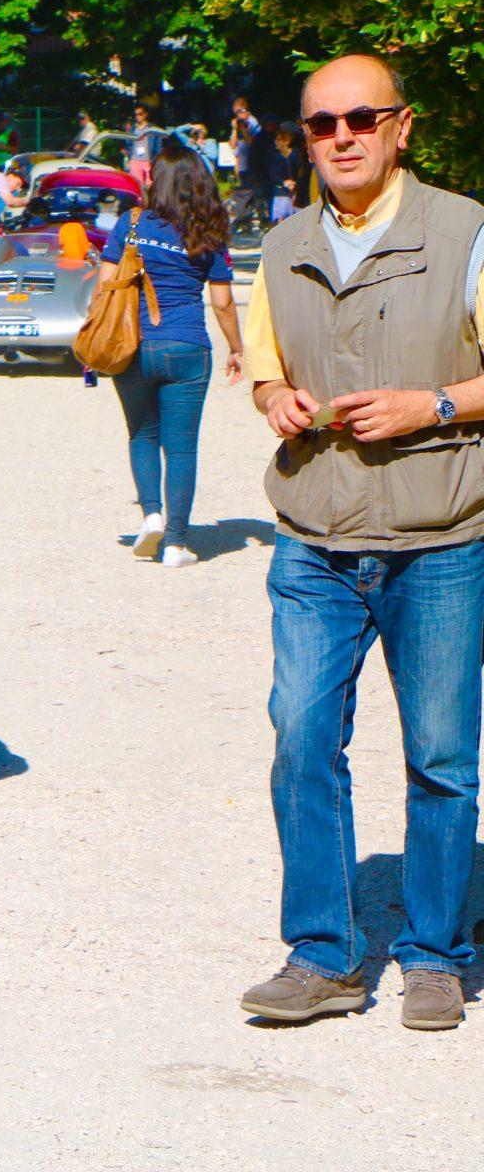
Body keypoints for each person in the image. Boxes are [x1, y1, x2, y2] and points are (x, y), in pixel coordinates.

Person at [238, 52, 484, 1032]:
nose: (340, 136)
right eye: (320, 124)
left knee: (440, 753)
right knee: (302, 736)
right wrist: (275, 399)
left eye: (360, 119)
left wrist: (430, 405)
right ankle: (325, 953)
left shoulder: (464, 231)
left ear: (401, 127)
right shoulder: (284, 242)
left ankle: (434, 952)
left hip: (438, 538)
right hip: (313, 538)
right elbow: (261, 368)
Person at [100, 139, 244, 567]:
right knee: (182, 448)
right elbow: (222, 303)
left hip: (132, 345)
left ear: (156, 181)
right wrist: (237, 348)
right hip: (186, 347)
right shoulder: (210, 233)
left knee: (142, 435)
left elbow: (105, 286)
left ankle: (151, 516)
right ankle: (177, 545)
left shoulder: (130, 222)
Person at [267, 124, 300, 222]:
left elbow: (303, 172)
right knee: (280, 221)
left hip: (297, 193)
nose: (276, 142)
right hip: (280, 192)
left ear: (286, 141)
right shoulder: (274, 156)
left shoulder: (297, 154)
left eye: (279, 139)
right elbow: (272, 174)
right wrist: (284, 183)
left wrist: (295, 183)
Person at [128, 103, 160, 189]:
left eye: (140, 114)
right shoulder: (133, 128)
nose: (138, 116)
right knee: (137, 186)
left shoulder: (152, 128)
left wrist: (155, 159)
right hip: (135, 160)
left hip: (148, 161)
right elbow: (128, 143)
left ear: (145, 114)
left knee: (150, 186)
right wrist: (129, 157)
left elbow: (158, 145)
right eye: (136, 114)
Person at [230, 95, 260, 182]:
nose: (238, 115)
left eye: (240, 111)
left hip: (251, 164)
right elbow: (232, 145)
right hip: (240, 165)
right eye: (236, 113)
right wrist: (235, 129)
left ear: (246, 110)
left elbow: (253, 144)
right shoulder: (237, 123)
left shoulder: (252, 122)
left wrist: (243, 130)